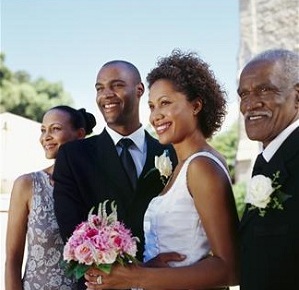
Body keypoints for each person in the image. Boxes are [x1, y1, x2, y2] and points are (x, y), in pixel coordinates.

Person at [84, 50, 240, 289]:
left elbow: (230, 269)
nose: (156, 116)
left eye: (165, 103)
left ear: (196, 105)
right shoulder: (181, 166)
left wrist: (134, 277)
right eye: (152, 106)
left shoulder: (202, 167)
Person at [53, 60, 177, 289]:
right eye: (100, 88)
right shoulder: (73, 156)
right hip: (101, 284)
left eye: (117, 85)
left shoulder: (170, 152)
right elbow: (72, 232)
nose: (106, 94)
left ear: (139, 90)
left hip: (161, 282)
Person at [5, 105, 96, 290]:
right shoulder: (27, 185)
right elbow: (12, 261)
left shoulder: (95, 185)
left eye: (55, 129)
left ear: (79, 134)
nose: (45, 137)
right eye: (43, 130)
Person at [238, 48, 299, 290]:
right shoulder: (268, 160)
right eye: (243, 94)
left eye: (265, 90)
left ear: (297, 97)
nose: (250, 104)